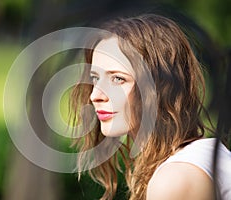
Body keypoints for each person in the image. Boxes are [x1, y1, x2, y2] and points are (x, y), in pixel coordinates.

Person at [69, 14, 231, 200]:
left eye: (118, 79)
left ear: (160, 88)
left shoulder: (176, 178)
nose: (95, 96)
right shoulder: (198, 155)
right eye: (95, 78)